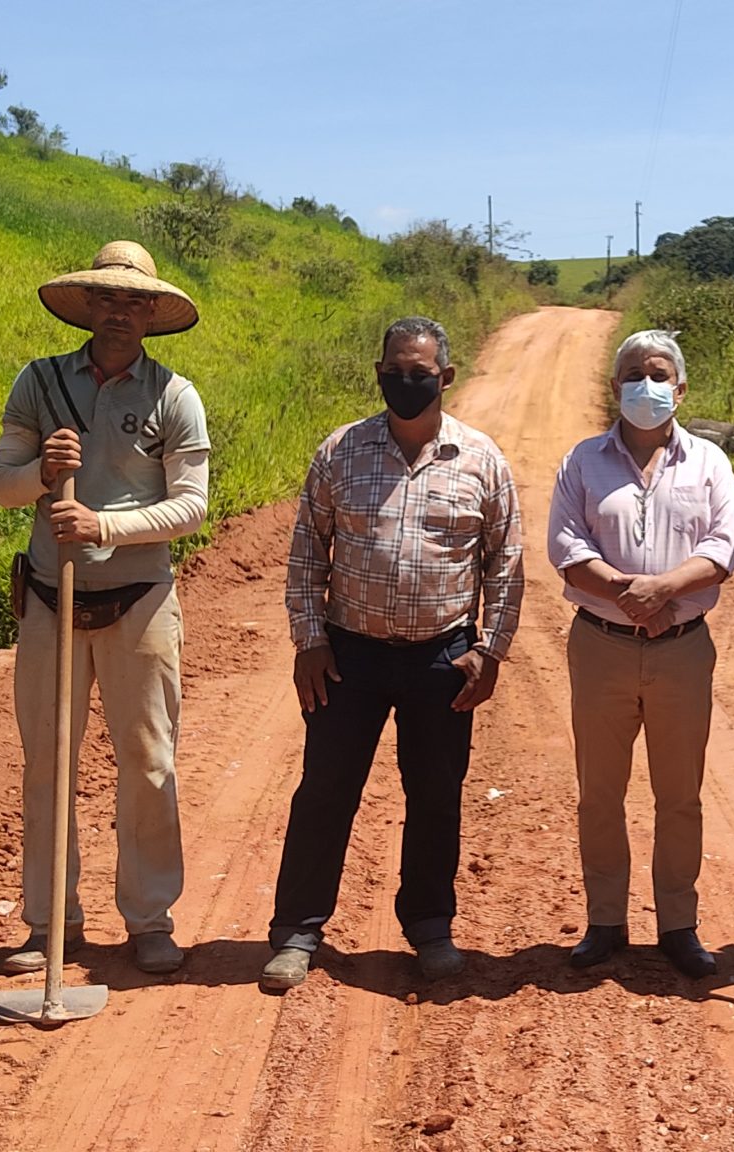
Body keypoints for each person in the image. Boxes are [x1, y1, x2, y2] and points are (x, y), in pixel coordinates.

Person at [262, 317, 524, 991]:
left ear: (446, 376)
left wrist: (489, 650)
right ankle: (297, 930)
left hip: (442, 656)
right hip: (348, 656)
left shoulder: (481, 460)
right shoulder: (341, 453)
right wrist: (309, 640)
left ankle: (430, 927)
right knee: (325, 790)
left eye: (420, 373)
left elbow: (505, 564)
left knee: (435, 794)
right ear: (378, 371)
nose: (406, 383)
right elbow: (303, 556)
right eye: (395, 371)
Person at [0, 241, 210, 976]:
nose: (120, 311)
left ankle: (149, 919)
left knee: (147, 762)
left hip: (140, 600)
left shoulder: (174, 395)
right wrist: (41, 476)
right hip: (51, 598)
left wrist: (105, 525)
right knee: (49, 760)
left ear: (151, 312)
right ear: (89, 306)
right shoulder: (40, 383)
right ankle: (51, 922)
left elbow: (193, 506)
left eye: (134, 300)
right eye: (107, 299)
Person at [546, 329, 734, 978]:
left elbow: (722, 550)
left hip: (683, 651)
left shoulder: (710, 464)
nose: (646, 386)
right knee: (599, 793)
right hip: (600, 646)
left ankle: (678, 925)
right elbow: (567, 550)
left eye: (659, 374)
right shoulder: (582, 461)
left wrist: (661, 591)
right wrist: (632, 595)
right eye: (633, 374)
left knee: (679, 795)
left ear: (680, 389)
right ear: (614, 387)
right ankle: (606, 921)